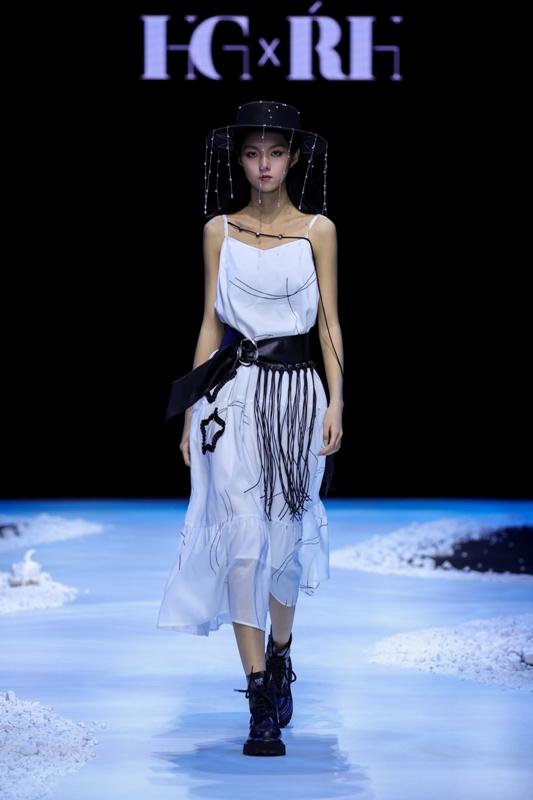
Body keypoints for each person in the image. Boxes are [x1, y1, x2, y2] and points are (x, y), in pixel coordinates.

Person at [157, 100, 344, 757]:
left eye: (275, 152)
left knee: (286, 541)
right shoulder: (219, 230)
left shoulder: (317, 231)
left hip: (297, 397)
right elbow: (211, 321)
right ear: (238, 160)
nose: (264, 165)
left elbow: (328, 321)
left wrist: (337, 401)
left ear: (293, 158)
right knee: (240, 544)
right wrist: (190, 408)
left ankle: (282, 650)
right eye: (251, 153)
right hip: (232, 397)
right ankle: (259, 694)